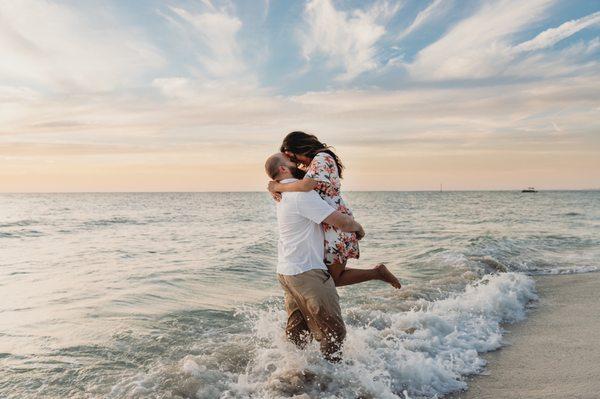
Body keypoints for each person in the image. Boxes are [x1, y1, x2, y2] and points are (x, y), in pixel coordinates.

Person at [268, 131, 401, 289]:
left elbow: (305, 186)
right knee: (328, 276)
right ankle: (376, 273)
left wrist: (278, 186)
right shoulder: (315, 163)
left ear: (299, 148)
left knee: (332, 278)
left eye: (294, 157)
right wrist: (273, 186)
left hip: (335, 221)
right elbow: (295, 180)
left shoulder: (322, 158)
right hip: (327, 220)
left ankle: (377, 273)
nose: (296, 162)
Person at [265, 152, 365, 362]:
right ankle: (332, 382)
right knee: (335, 332)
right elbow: (342, 223)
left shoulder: (283, 193)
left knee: (298, 333)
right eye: (291, 161)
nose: (300, 164)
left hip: (286, 272)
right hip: (307, 272)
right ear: (283, 169)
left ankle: (296, 375)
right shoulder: (301, 195)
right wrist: (358, 228)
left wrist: (274, 185)